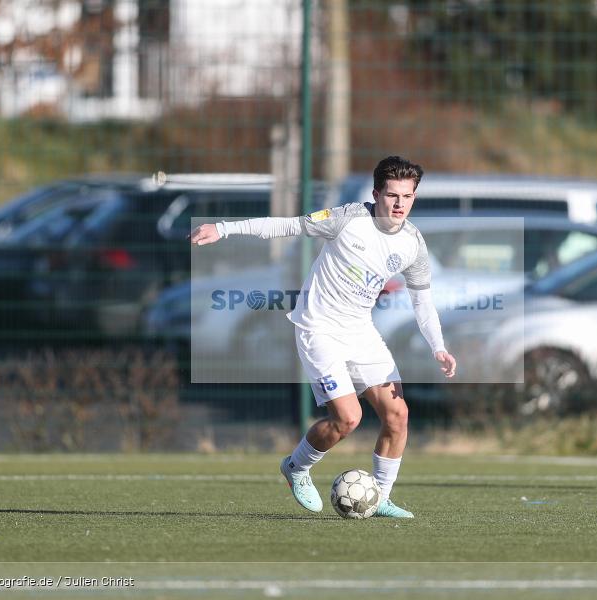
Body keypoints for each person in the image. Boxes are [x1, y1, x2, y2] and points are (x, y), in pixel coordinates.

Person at [189, 156, 457, 518]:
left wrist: (438, 347)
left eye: (407, 197)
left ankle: (379, 496)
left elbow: (422, 299)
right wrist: (224, 228)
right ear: (376, 193)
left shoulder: (412, 243)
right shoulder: (348, 219)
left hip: (361, 332)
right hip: (319, 329)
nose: (399, 204)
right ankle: (296, 467)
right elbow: (287, 226)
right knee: (348, 419)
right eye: (392, 195)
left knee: (398, 414)